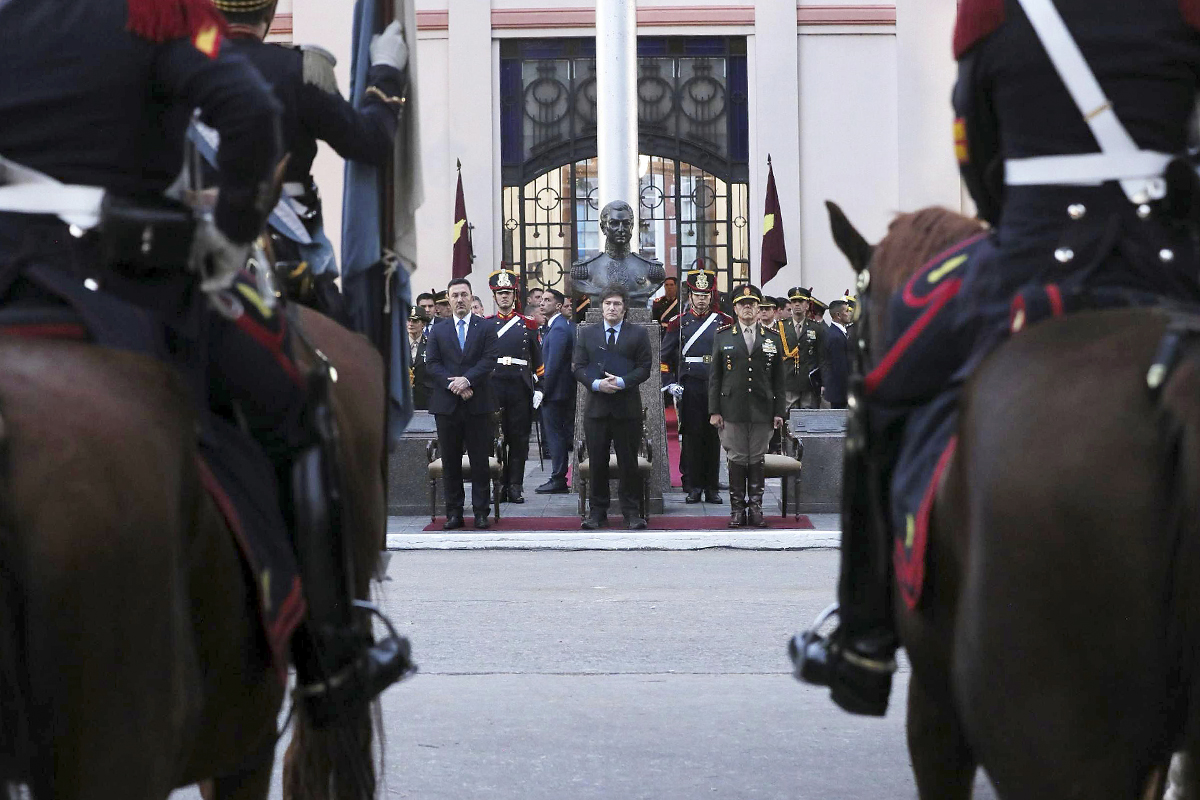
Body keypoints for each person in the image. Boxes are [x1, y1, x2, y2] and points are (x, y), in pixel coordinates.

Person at [0, 0, 408, 716]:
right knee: (296, 400)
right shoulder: (154, 15)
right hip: (124, 280)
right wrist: (228, 238)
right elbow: (248, 117)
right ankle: (327, 653)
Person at [797, 0, 1200, 717]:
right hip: (1175, 266)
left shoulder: (994, 11)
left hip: (1031, 264)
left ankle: (863, 643)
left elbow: (977, 154)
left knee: (885, 398)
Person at [210, 0, 406, 314]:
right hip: (282, 246)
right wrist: (386, 70)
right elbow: (371, 143)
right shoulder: (300, 68)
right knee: (346, 347)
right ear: (270, 11)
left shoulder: (175, 65)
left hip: (189, 244)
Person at [573, 285, 652, 530]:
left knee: (628, 461)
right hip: (597, 408)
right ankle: (597, 512)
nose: (612, 308)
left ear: (625, 308)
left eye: (617, 304)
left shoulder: (637, 334)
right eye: (608, 304)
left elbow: (644, 368)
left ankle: (631, 511)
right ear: (601, 307)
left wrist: (621, 382)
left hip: (626, 408)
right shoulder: (587, 334)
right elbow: (578, 367)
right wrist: (596, 384)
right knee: (597, 461)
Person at [424, 278, 499, 529]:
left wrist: (467, 380)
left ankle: (480, 512)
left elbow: (489, 360)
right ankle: (454, 513)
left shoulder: (486, 328)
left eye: (464, 295)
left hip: (478, 403)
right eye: (454, 295)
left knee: (479, 460)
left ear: (471, 297)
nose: (459, 300)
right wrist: (454, 385)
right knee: (451, 461)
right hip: (447, 405)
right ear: (448, 298)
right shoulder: (439, 330)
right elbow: (432, 364)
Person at [708, 285, 786, 528]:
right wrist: (714, 410)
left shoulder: (771, 338)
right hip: (732, 407)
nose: (749, 308)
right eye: (743, 304)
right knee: (737, 457)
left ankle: (756, 508)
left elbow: (779, 380)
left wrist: (779, 412)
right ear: (735, 308)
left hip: (763, 408)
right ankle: (737, 509)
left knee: (757, 458)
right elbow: (715, 377)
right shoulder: (723, 336)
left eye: (753, 303)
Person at [661, 270, 732, 504]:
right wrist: (670, 383)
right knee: (692, 436)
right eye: (696, 294)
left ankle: (711, 487)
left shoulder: (724, 321)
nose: (701, 299)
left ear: (712, 296)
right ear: (689, 296)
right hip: (690, 385)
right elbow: (665, 359)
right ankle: (692, 485)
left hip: (716, 383)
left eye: (705, 295)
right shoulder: (678, 323)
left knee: (714, 436)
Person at [487, 269, 541, 503]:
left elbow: (538, 360)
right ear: (495, 297)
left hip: (519, 386)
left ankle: (516, 485)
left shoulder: (527, 324)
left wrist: (540, 388)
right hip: (494, 387)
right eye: (500, 294)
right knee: (495, 438)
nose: (504, 297)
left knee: (518, 438)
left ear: (514, 295)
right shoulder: (486, 325)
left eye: (508, 292)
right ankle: (498, 485)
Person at [535, 288, 576, 494]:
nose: (542, 303)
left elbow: (553, 365)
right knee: (557, 435)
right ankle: (558, 476)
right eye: (541, 300)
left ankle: (558, 478)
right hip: (558, 391)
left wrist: (542, 391)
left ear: (558, 306)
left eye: (547, 300)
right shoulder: (555, 326)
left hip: (556, 393)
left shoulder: (559, 328)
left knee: (555, 436)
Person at [784, 287, 828, 409]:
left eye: (801, 301)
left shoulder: (816, 328)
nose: (797, 304)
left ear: (807, 305)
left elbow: (822, 358)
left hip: (809, 383)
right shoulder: (781, 327)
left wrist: (823, 382)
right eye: (794, 301)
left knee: (808, 419)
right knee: (789, 419)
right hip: (788, 382)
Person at [822, 299, 852, 409]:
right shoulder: (836, 337)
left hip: (840, 391)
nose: (849, 313)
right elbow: (840, 367)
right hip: (840, 392)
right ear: (838, 315)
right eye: (847, 311)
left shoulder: (839, 333)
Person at [407, 306, 430, 411]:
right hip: (403, 400)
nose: (411, 323)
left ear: (423, 324)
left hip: (425, 399)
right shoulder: (396, 345)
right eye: (409, 320)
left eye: (415, 321)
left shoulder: (431, 345)